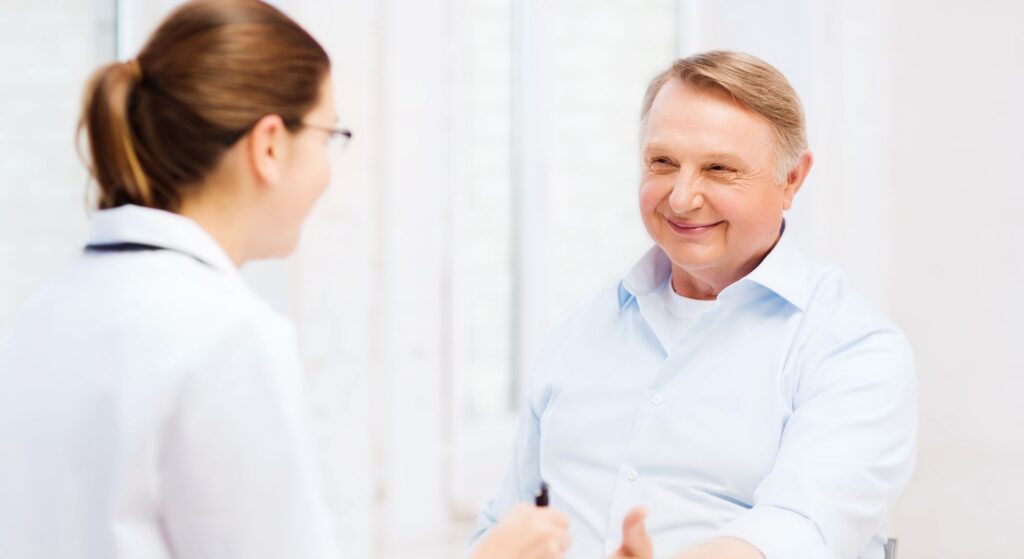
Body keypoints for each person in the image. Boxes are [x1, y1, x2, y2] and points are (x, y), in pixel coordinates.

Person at [0, 1, 570, 557]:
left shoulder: (45, 310)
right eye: (328, 137)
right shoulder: (228, 339)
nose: (327, 168)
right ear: (270, 145)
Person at [471, 51, 917, 559]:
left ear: (792, 179)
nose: (682, 198)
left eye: (719, 169)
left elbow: (799, 529)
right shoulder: (581, 331)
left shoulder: (855, 350)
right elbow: (506, 523)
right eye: (662, 163)